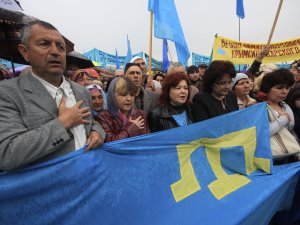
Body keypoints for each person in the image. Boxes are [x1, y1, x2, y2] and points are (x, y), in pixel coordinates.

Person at [0, 20, 105, 171]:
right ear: (25, 52)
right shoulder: (7, 93)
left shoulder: (81, 91)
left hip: (88, 180)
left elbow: (91, 121)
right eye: (44, 43)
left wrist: (97, 132)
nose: (55, 51)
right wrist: (63, 123)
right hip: (47, 190)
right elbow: (7, 154)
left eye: (60, 47)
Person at [257, 68, 298, 163]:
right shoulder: (259, 107)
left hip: (288, 156)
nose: (284, 91)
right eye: (279, 88)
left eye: (287, 88)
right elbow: (262, 132)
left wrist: (297, 152)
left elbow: (291, 132)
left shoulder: (285, 106)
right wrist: (283, 120)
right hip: (268, 159)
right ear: (267, 88)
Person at [96, 77, 149, 142]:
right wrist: (131, 128)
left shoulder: (140, 114)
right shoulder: (103, 117)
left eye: (132, 95)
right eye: (123, 94)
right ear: (112, 96)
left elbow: (147, 140)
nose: (129, 99)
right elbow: (110, 143)